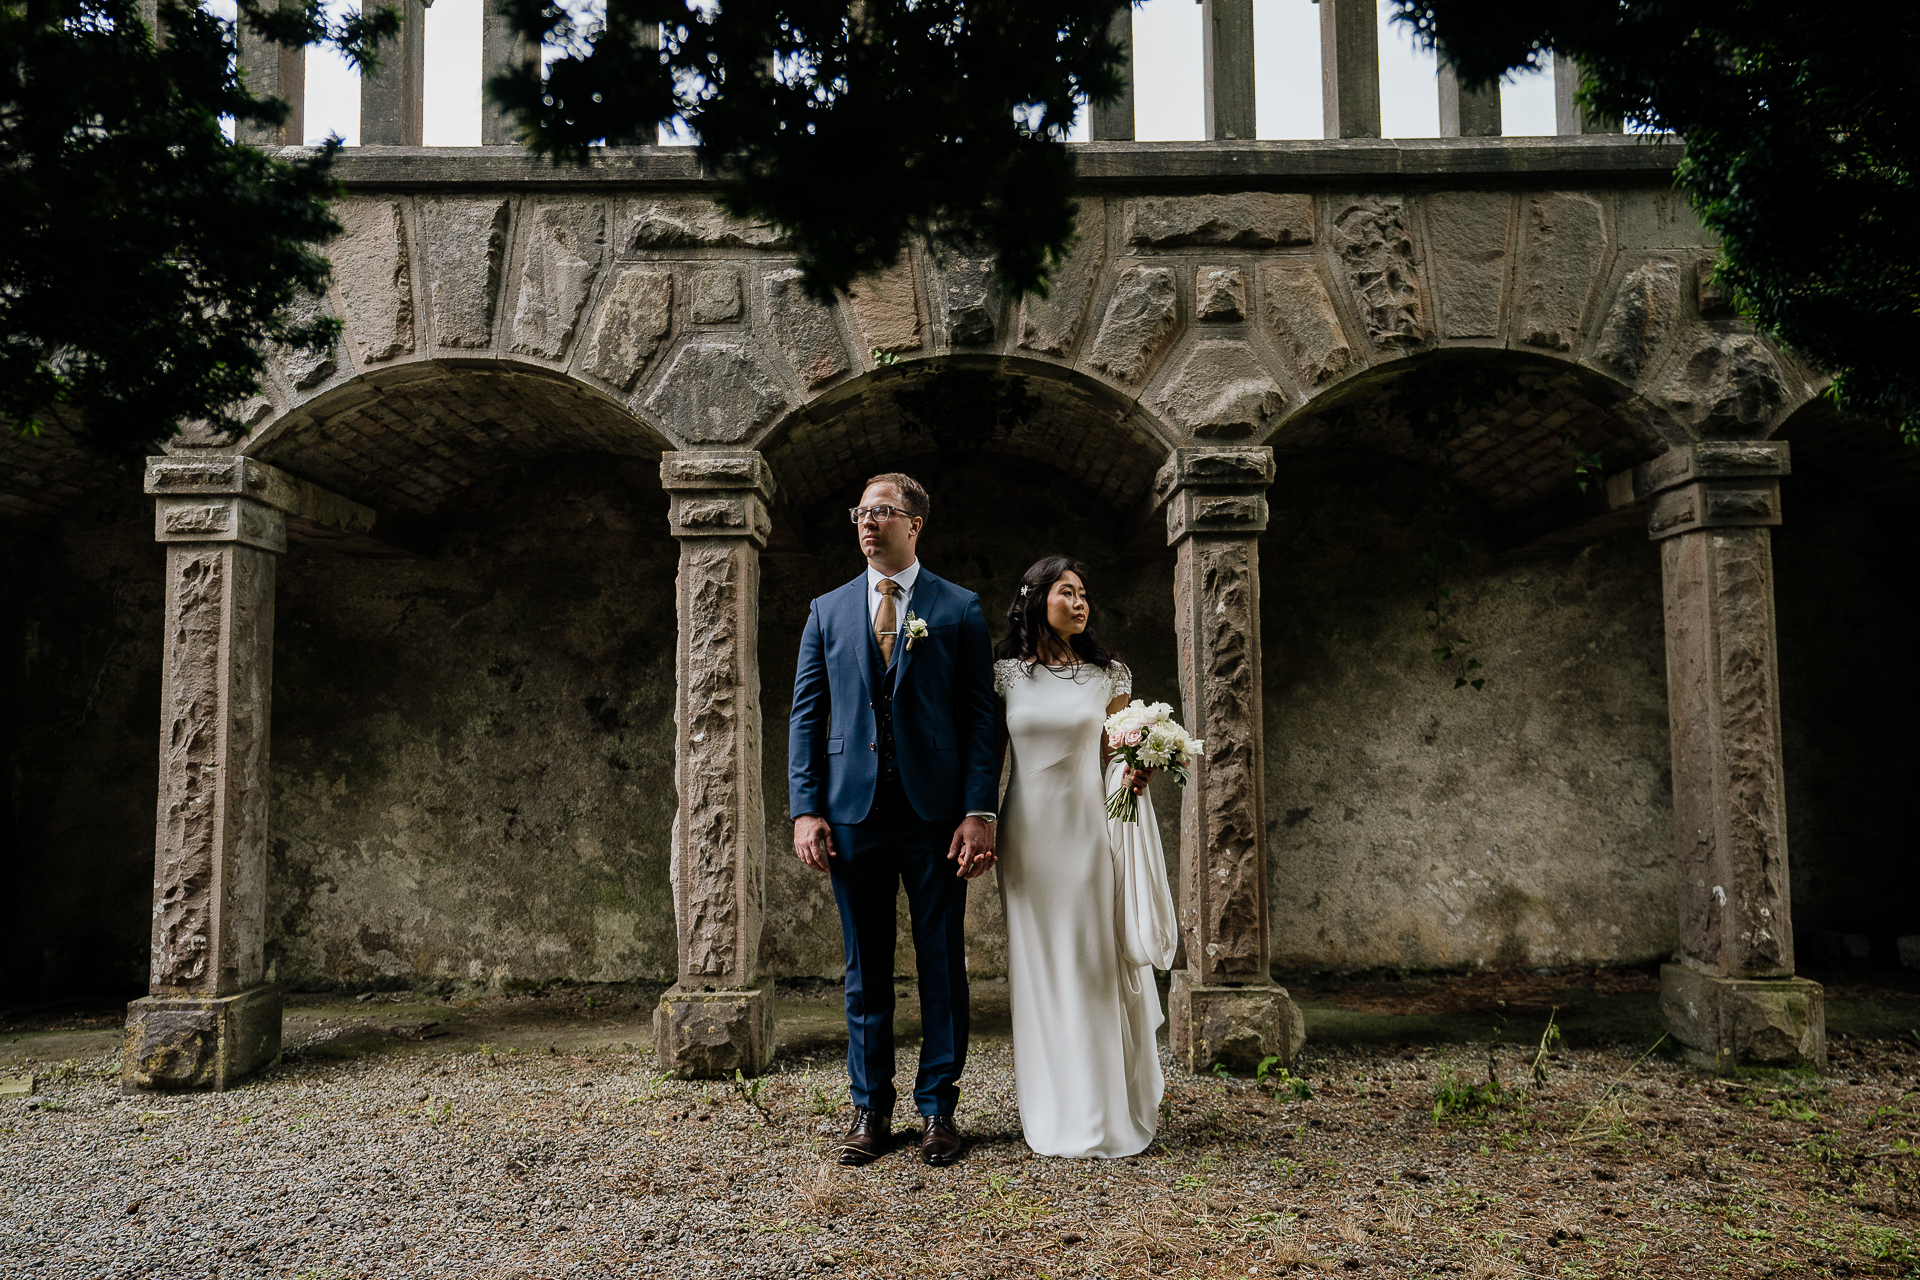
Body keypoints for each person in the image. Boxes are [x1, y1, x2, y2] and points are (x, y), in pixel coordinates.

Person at [787, 472, 1000, 1167]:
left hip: (936, 816)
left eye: (882, 512)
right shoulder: (826, 611)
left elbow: (979, 720)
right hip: (852, 814)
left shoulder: (958, 608)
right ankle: (869, 1110)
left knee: (941, 963)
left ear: (915, 524)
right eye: (861, 512)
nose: (867, 522)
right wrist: (806, 808)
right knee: (864, 967)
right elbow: (807, 717)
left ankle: (939, 1110)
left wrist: (978, 810)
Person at [993, 555, 1164, 1158]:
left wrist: (1138, 771)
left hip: (1089, 832)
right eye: (1067, 592)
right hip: (1028, 835)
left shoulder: (1107, 675)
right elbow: (989, 758)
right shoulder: (1007, 675)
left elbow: (1122, 750)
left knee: (1091, 964)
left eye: (1084, 592)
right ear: (1037, 599)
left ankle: (1101, 1112)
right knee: (1040, 970)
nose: (1080, 601)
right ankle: (1051, 1109)